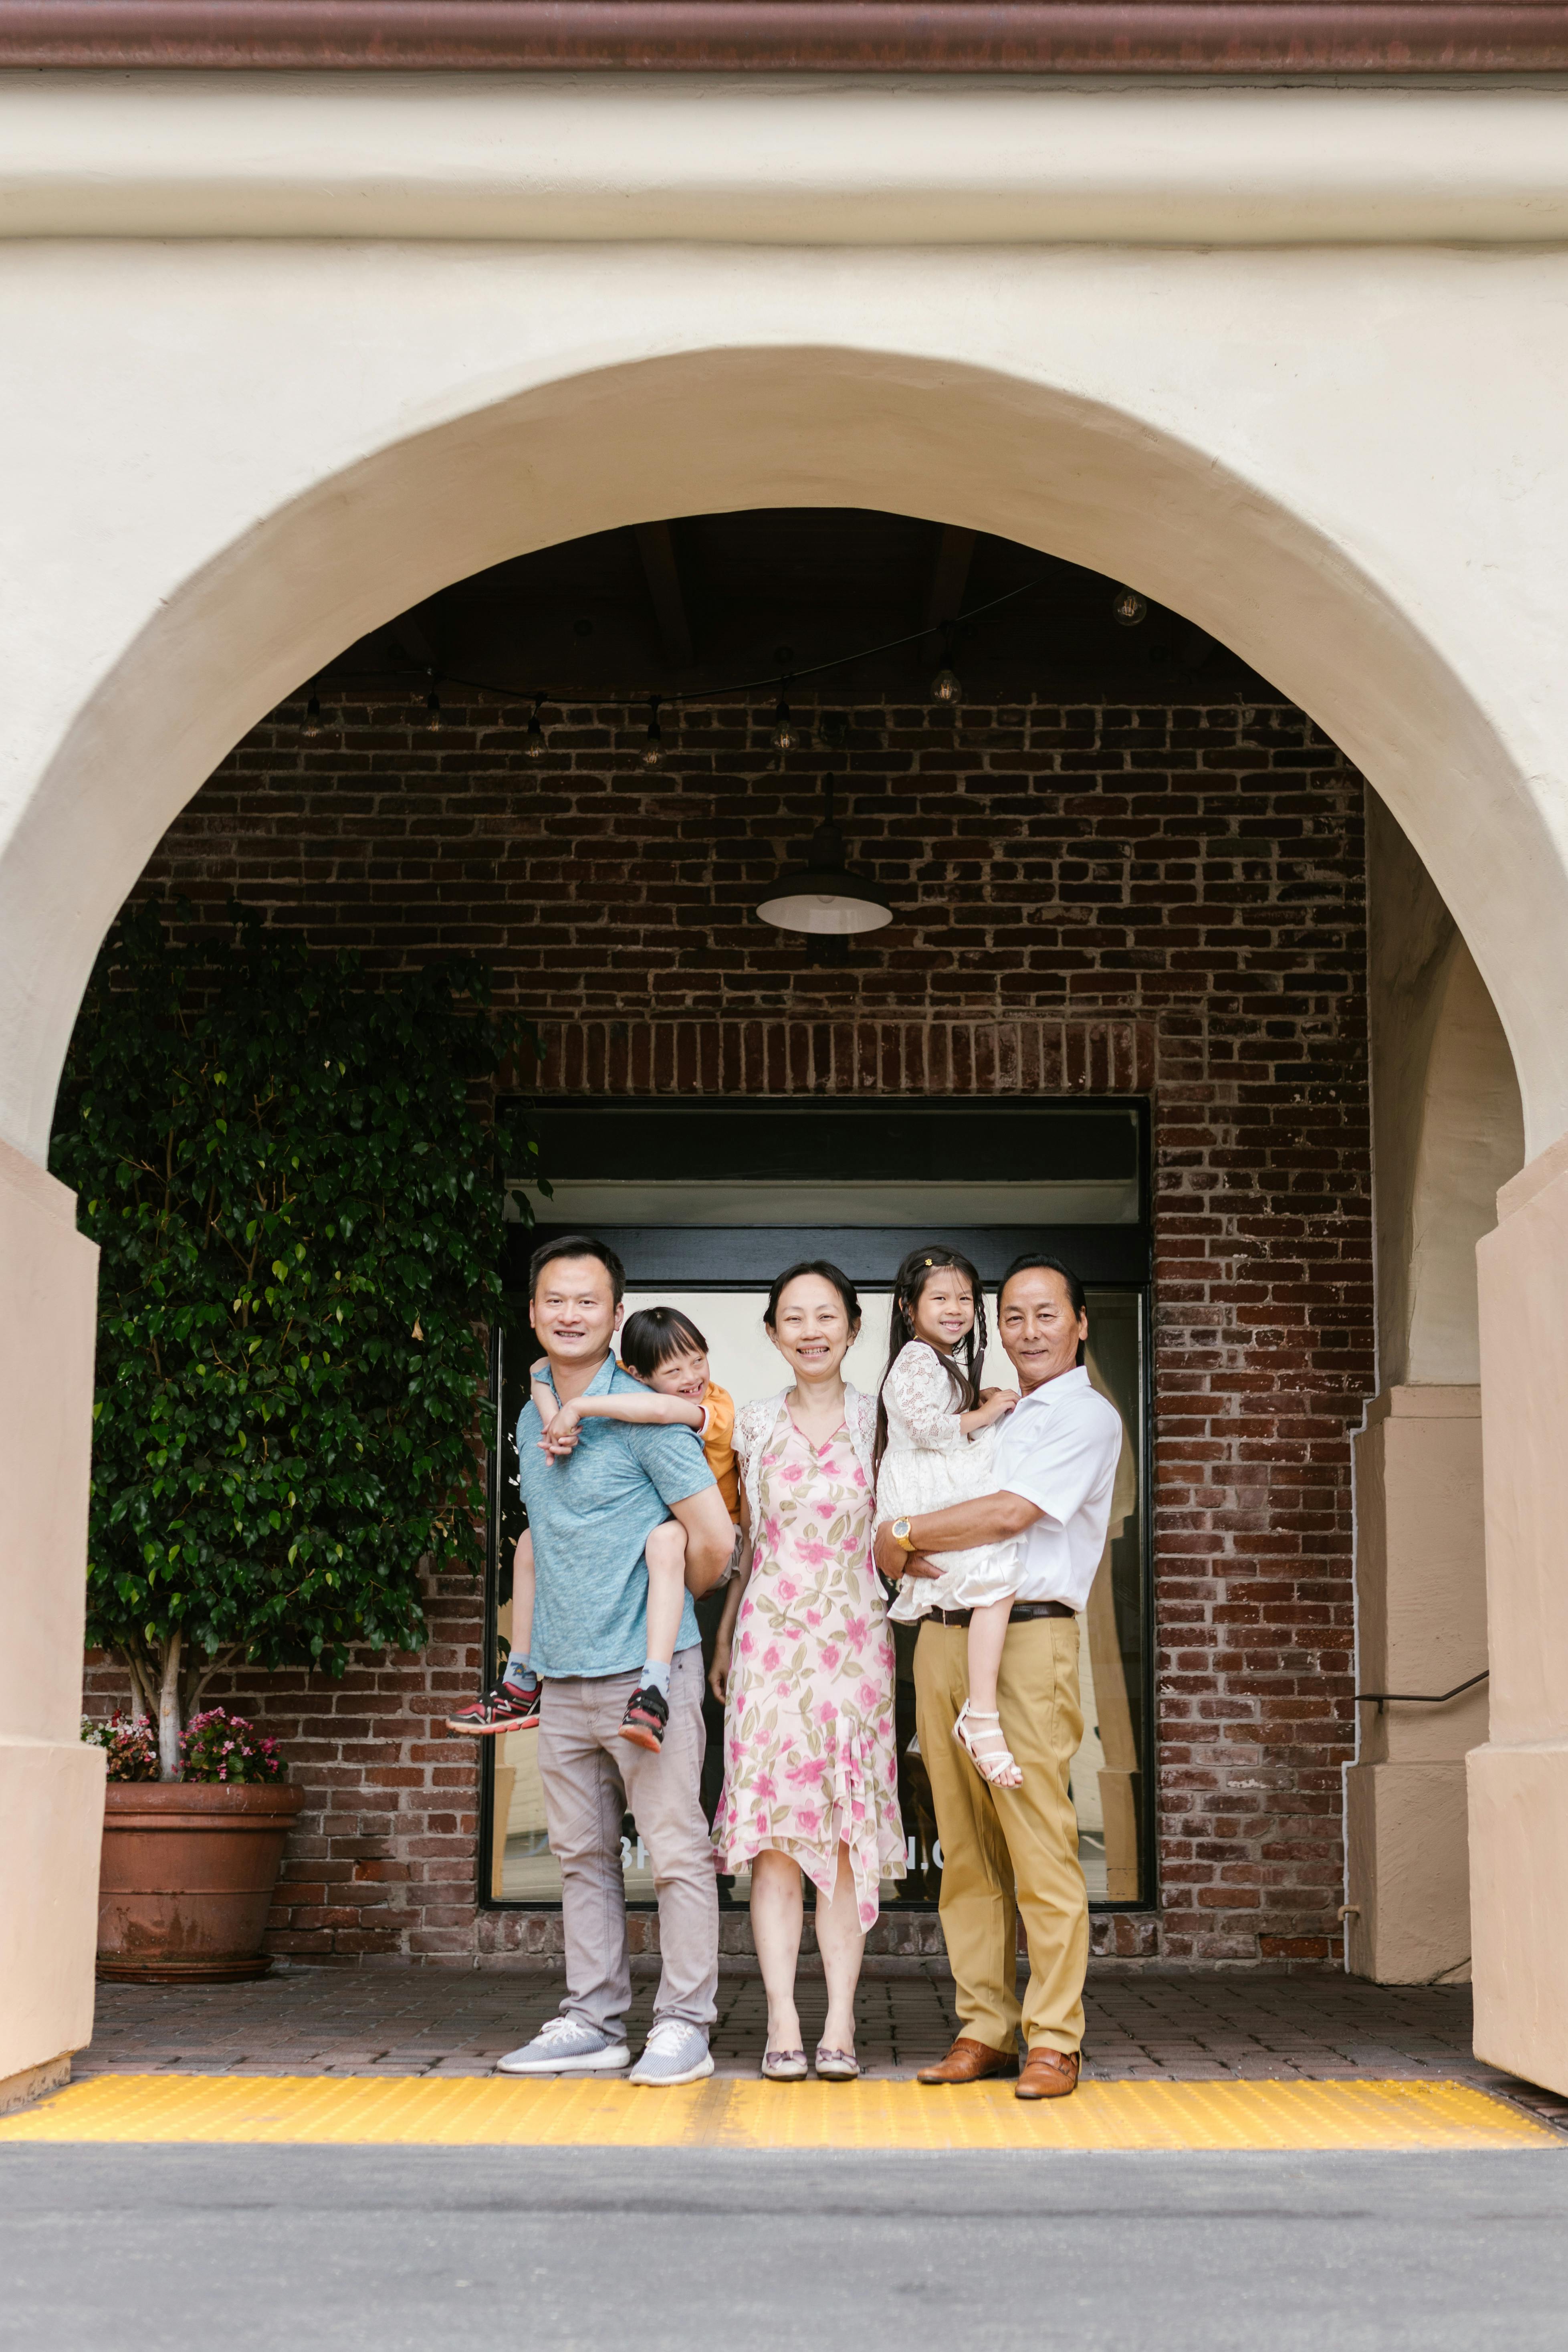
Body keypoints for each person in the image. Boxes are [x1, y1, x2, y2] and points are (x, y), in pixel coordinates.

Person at [873, 1254, 1122, 2103]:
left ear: (1081, 1322)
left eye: (1046, 1314)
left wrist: (899, 1530)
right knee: (967, 1853)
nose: (1027, 1330)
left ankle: (1056, 2038)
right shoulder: (991, 1408)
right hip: (943, 1636)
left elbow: (1011, 1512)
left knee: (1037, 1844)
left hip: (1026, 1640)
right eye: (1012, 1315)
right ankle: (986, 2026)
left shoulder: (1082, 1417)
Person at [488, 1236, 735, 2086]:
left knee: (675, 1854)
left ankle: (685, 2025)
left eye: (587, 1301)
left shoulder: (645, 1416)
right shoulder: (530, 1412)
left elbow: (716, 1540)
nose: (569, 1314)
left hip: (645, 1681)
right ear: (533, 1313)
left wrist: (666, 1619)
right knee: (581, 1857)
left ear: (614, 1315)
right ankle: (592, 2020)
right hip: (560, 1677)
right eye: (554, 1299)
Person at [710, 1262, 905, 2081]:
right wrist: (724, 1638)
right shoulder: (748, 1426)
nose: (812, 1330)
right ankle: (784, 2020)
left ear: (855, 1329)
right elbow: (747, 1546)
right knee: (779, 1846)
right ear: (771, 1333)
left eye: (827, 1315)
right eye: (794, 1317)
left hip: (857, 1647)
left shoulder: (885, 1422)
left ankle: (841, 2022)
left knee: (847, 1841)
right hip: (769, 1648)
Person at [445, 1307, 739, 1748]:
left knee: (662, 1539)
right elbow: (540, 1370)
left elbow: (661, 1408)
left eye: (698, 1359)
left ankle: (654, 1686)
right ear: (636, 1374)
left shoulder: (713, 1404)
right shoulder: (625, 1387)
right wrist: (552, 1418)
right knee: (528, 1541)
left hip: (714, 1546)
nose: (692, 1375)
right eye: (674, 1368)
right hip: (667, 1553)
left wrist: (578, 1407)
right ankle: (521, 1679)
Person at [874, 1246, 1024, 1788]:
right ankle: (979, 1716)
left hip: (924, 1494)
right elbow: (922, 1424)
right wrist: (984, 1414)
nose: (955, 1307)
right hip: (925, 1494)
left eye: (965, 1297)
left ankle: (954, 1719)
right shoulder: (917, 1356)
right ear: (908, 1307)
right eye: (939, 1297)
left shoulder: (935, 1362)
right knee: (996, 1579)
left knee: (982, 1588)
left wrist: (974, 1400)